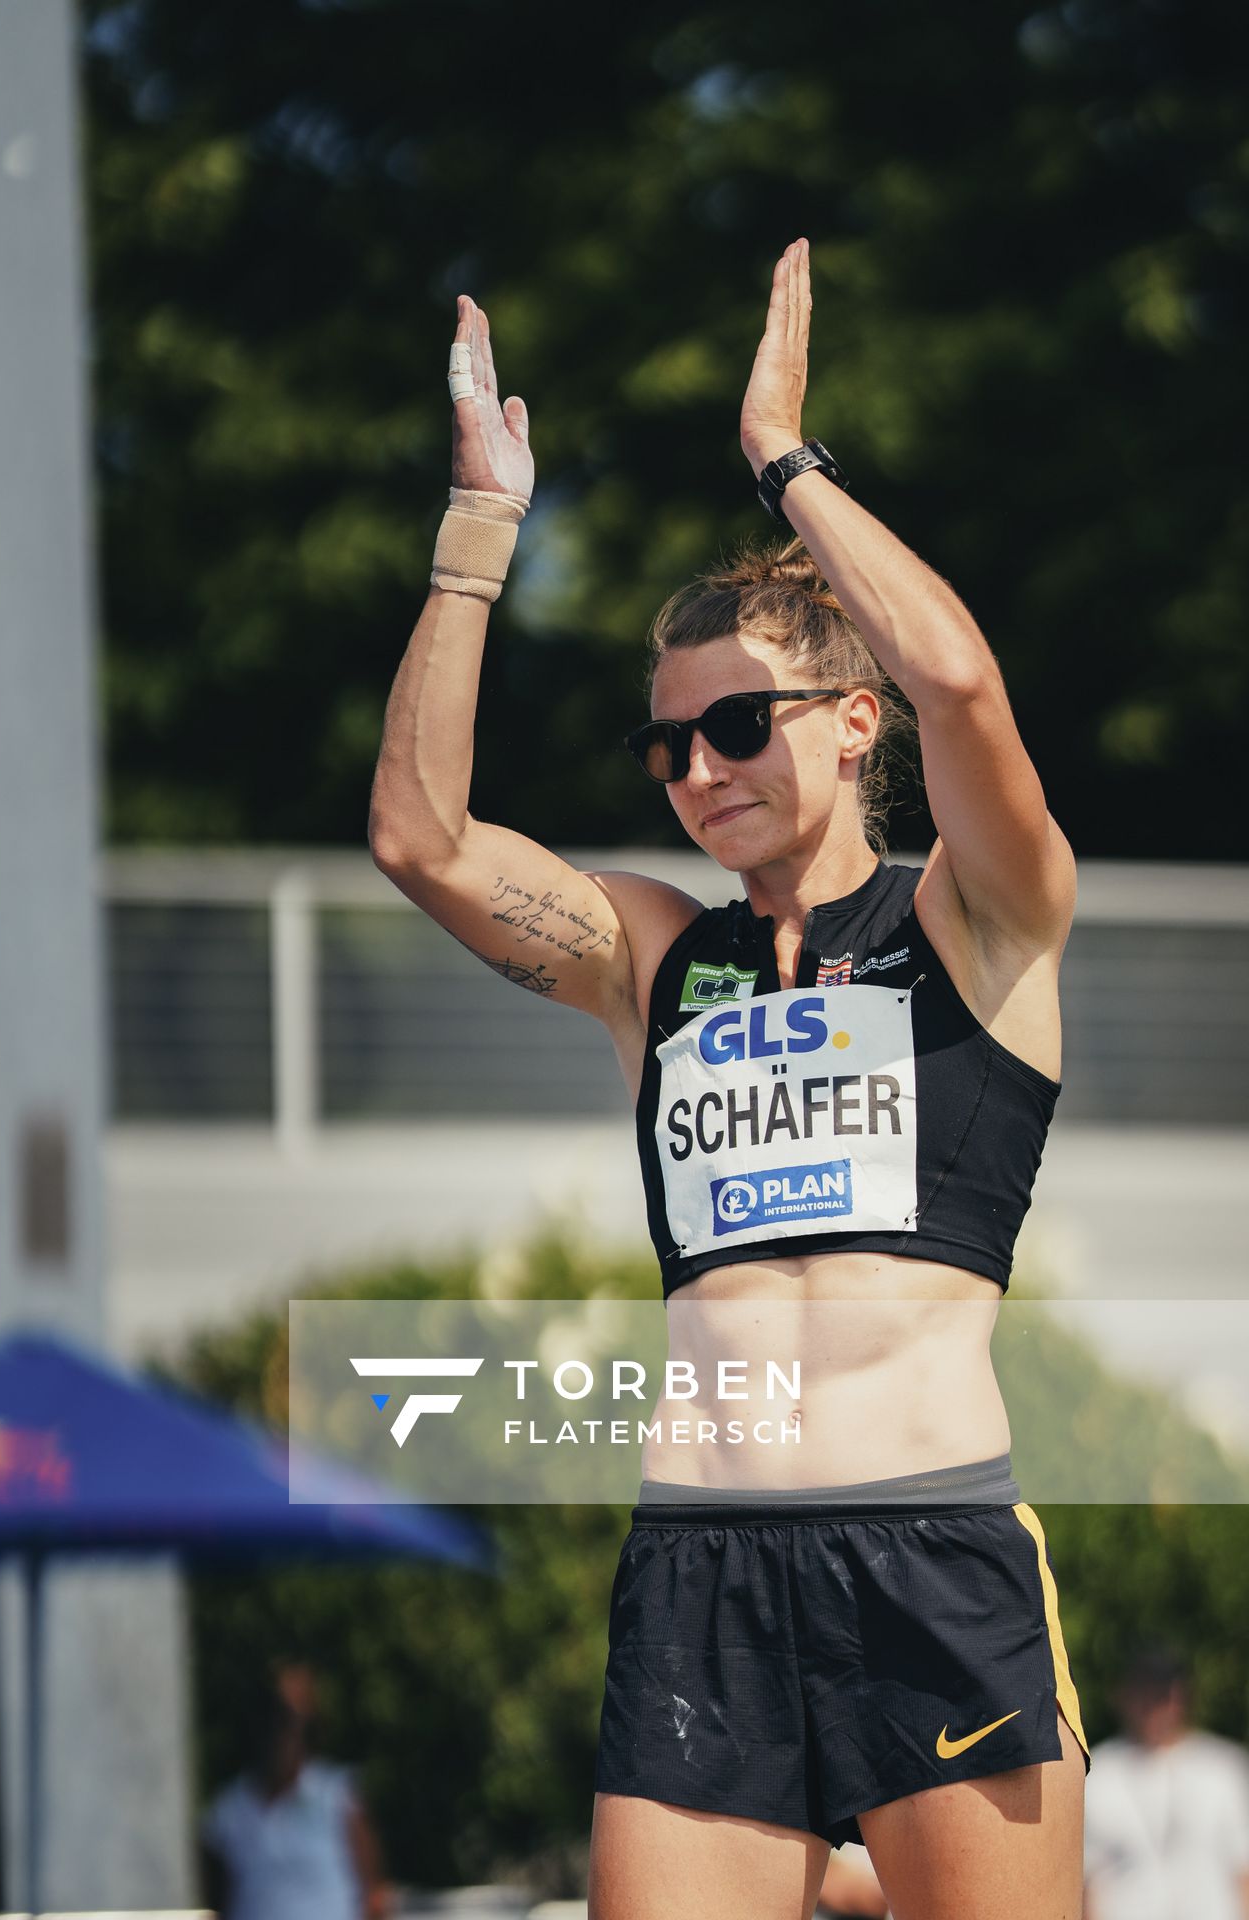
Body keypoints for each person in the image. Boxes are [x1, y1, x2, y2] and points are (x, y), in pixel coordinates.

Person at [369, 237, 1089, 1920]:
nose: (697, 770)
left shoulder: (976, 914)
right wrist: (480, 539)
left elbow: (962, 679)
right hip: (702, 1571)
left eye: (739, 727)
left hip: (931, 1553)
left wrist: (783, 453)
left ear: (851, 725)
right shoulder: (655, 955)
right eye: (668, 743)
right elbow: (417, 836)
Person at [200, 1664, 389, 1920]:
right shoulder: (227, 1810)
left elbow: (374, 1892)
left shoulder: (337, 1795)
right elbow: (213, 1898)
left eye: (287, 1721)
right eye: (269, 1718)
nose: (278, 1735)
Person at [1084, 1641, 1249, 1920]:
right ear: (1123, 1696)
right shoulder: (1096, 1773)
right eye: (1143, 1694)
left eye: (1161, 1696)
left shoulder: (1223, 1767)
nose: (1153, 1707)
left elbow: (1242, 1868)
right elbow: (1086, 1878)